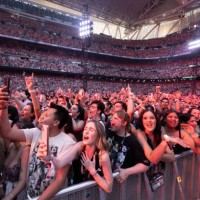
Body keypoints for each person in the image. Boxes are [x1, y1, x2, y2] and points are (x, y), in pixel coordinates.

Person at [0, 87, 75, 199]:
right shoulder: (36, 132)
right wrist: (3, 107)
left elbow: (60, 180)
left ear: (56, 122)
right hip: (31, 196)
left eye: (46, 115)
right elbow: (8, 133)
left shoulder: (68, 142)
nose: (41, 116)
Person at [38, 120, 113, 193]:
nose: (86, 132)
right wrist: (49, 156)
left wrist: (93, 172)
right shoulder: (80, 147)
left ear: (98, 135)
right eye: (85, 129)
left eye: (91, 129)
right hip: (77, 195)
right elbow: (59, 163)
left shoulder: (102, 156)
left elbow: (109, 188)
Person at [107, 110, 150, 183]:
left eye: (115, 118)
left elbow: (145, 164)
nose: (111, 119)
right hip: (107, 182)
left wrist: (127, 171)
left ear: (124, 123)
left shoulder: (131, 140)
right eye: (112, 117)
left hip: (123, 184)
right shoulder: (108, 133)